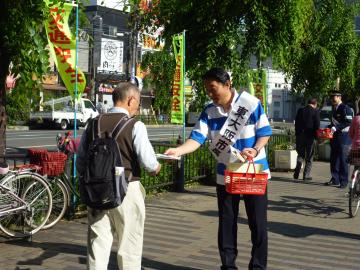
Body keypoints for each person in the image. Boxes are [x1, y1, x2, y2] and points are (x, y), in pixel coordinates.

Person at [164, 67, 272, 270]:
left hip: (253, 171)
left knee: (258, 224)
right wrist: (178, 151)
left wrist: (256, 150)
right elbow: (197, 138)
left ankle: (258, 267)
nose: (210, 94)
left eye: (213, 89)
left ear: (227, 85)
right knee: (226, 223)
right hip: (227, 174)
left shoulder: (250, 104)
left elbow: (265, 132)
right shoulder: (209, 111)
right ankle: (228, 266)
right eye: (207, 90)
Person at [76, 82, 161, 270]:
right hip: (127, 190)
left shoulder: (93, 123)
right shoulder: (135, 125)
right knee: (129, 247)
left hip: (97, 191)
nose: (137, 108)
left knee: (97, 246)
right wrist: (157, 168)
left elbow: (81, 161)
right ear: (131, 100)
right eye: (138, 103)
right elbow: (149, 164)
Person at [325, 91, 353, 188]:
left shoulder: (346, 108)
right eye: (331, 97)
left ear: (339, 97)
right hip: (334, 136)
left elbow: (348, 122)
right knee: (334, 158)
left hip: (344, 136)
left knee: (342, 159)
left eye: (334, 97)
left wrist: (336, 128)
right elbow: (334, 122)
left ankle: (344, 181)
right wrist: (328, 127)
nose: (332, 99)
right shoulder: (334, 108)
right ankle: (335, 179)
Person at [293, 98, 320, 181]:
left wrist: (297, 134)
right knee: (309, 156)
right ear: (315, 104)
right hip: (310, 137)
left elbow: (296, 123)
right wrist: (316, 137)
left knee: (300, 154)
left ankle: (297, 170)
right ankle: (306, 175)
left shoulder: (300, 110)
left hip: (300, 135)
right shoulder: (315, 112)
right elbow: (317, 125)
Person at [348, 100, 360, 169]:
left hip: (355, 148)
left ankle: (354, 177)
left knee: (356, 166)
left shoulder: (355, 118)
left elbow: (350, 134)